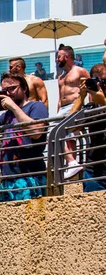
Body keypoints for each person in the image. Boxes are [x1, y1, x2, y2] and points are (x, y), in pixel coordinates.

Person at [0, 73, 49, 202]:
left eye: (11, 88)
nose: (8, 93)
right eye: (4, 91)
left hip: (29, 176)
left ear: (24, 89)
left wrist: (13, 107)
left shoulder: (36, 106)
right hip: (7, 179)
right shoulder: (7, 115)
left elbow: (37, 131)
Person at [69, 63, 106, 192]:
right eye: (97, 81)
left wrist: (104, 103)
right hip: (94, 171)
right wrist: (81, 96)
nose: (101, 85)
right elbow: (69, 128)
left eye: (104, 81)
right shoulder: (92, 107)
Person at [57, 46, 90, 179]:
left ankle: (71, 163)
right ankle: (71, 163)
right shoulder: (61, 76)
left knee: (69, 138)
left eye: (59, 56)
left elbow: (92, 89)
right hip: (63, 109)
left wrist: (91, 107)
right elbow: (60, 98)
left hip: (75, 106)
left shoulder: (80, 71)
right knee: (56, 135)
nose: (57, 59)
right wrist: (57, 112)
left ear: (67, 56)